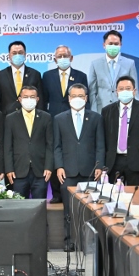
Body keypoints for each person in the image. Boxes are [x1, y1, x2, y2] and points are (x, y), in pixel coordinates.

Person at [54, 83, 105, 251]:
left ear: (86, 98)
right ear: (69, 99)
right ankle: (69, 242)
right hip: (67, 172)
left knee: (91, 210)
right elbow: (57, 146)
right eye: (74, 96)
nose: (77, 99)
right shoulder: (59, 119)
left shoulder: (96, 118)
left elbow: (100, 145)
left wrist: (99, 166)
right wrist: (59, 166)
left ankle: (89, 243)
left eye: (81, 96)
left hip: (90, 171)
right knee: (69, 211)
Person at [41, 44, 89, 203]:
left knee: (73, 150)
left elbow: (86, 100)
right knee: (55, 151)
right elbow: (43, 100)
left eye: (65, 56)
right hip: (53, 120)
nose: (62, 58)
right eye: (59, 56)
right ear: (55, 59)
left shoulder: (81, 75)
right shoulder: (47, 76)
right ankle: (57, 193)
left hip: (75, 119)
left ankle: (78, 190)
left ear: (71, 58)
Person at [102, 76, 139, 186]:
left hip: (137, 160)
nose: (124, 91)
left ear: (134, 91)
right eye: (121, 89)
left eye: (128, 88)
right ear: (116, 92)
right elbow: (103, 139)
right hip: (113, 161)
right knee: (112, 194)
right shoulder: (107, 111)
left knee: (135, 195)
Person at [4, 86, 53, 199]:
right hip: (18, 171)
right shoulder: (10, 118)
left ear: (37, 99)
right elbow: (7, 146)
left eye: (32, 97)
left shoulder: (46, 117)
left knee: (39, 206)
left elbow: (50, 145)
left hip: (41, 171)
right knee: (19, 207)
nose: (29, 99)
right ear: (20, 99)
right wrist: (9, 169)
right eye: (25, 97)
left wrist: (49, 167)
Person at [88, 30, 138, 113]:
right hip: (101, 110)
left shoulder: (129, 63)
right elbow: (92, 92)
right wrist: (93, 112)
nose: (113, 46)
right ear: (104, 45)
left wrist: (136, 111)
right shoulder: (95, 64)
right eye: (110, 44)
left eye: (116, 44)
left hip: (123, 109)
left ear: (121, 45)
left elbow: (135, 90)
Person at [0, 41, 43, 115]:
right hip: (6, 117)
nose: (17, 55)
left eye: (20, 53)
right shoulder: (1, 75)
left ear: (25, 55)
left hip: (30, 116)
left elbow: (40, 100)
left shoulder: (35, 74)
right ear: (9, 56)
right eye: (14, 53)